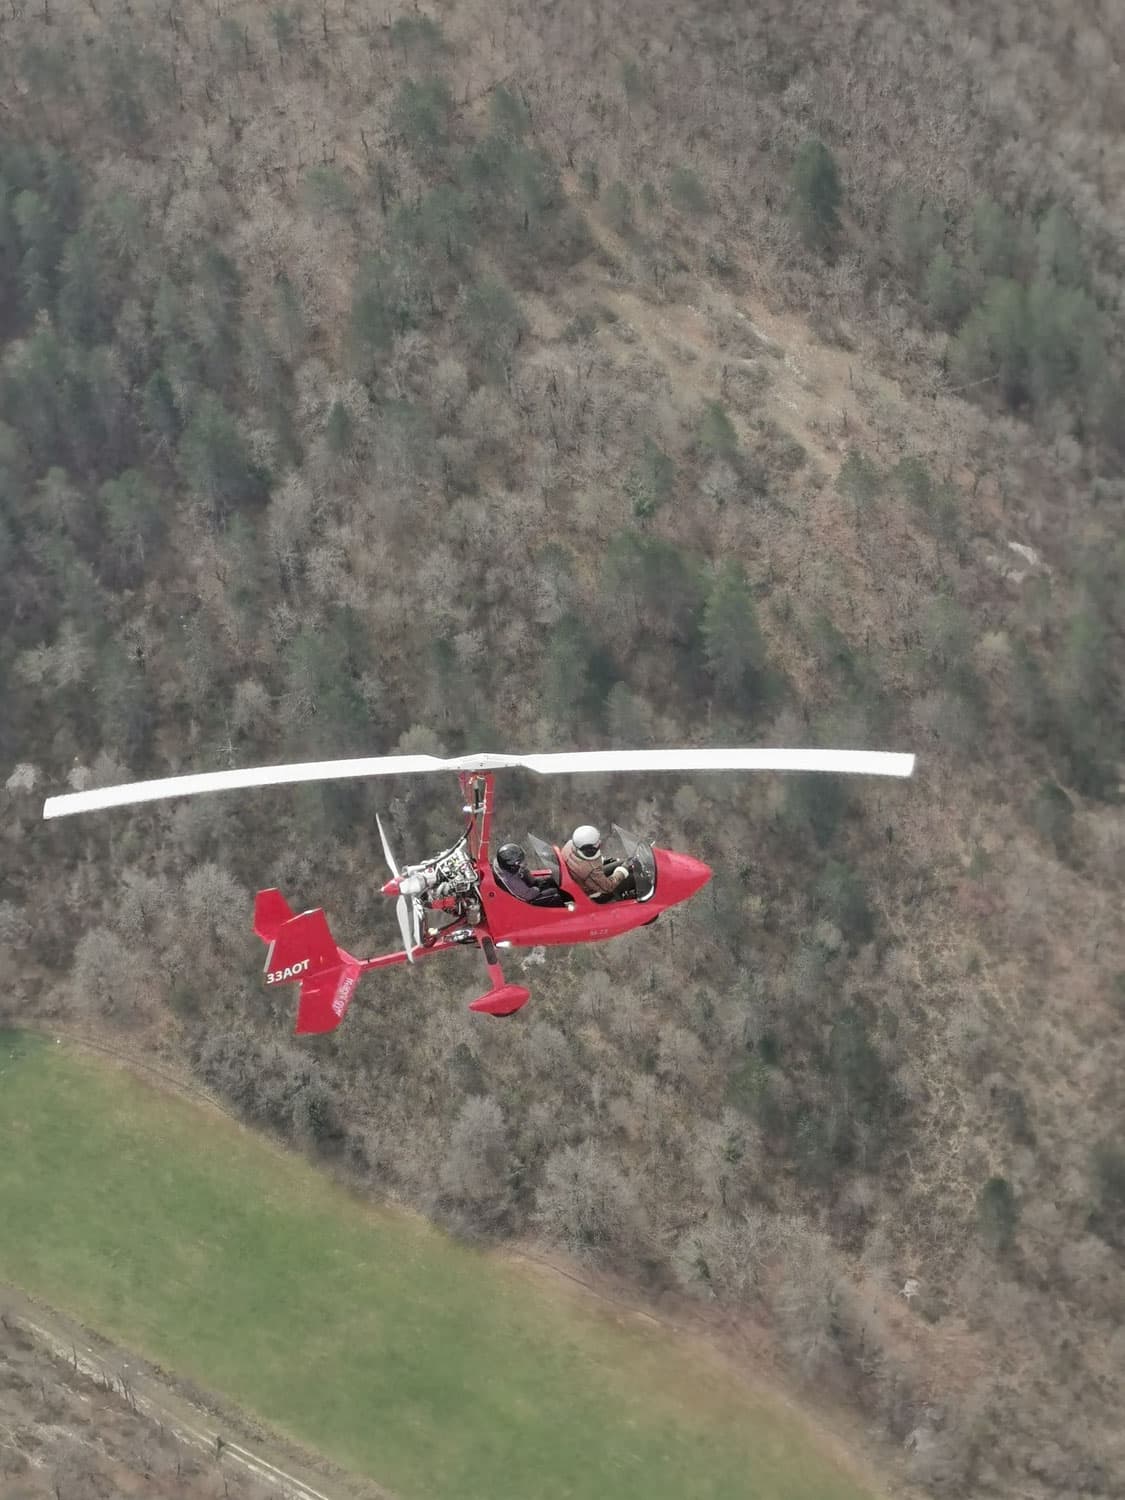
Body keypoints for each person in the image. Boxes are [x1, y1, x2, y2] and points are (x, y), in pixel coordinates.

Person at [561, 825, 630, 900]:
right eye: (596, 842)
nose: (600, 841)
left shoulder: (569, 845)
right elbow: (608, 887)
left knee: (622, 863)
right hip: (592, 891)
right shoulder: (591, 869)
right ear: (589, 849)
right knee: (628, 880)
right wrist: (623, 871)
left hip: (580, 879)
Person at [494, 843, 568, 907]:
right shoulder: (513, 882)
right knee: (554, 892)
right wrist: (537, 888)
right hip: (530, 898)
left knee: (551, 880)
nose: (522, 864)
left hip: (527, 887)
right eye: (519, 863)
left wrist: (526, 874)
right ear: (512, 867)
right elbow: (528, 895)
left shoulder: (502, 864)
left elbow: (525, 875)